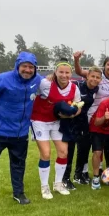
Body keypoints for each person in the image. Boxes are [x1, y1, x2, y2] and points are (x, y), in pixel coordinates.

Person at [0, 52, 41, 211]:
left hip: (20, 134)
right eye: (24, 66)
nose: (27, 70)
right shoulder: (3, 79)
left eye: (31, 67)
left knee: (19, 165)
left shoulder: (38, 80)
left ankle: (18, 193)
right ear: (17, 66)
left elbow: (54, 81)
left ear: (35, 68)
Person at [31, 59, 82, 199]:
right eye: (61, 72)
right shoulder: (45, 83)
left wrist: (71, 114)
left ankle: (58, 184)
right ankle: (44, 187)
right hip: (40, 120)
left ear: (71, 74)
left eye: (67, 72)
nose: (64, 75)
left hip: (58, 122)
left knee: (63, 152)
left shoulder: (74, 88)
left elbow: (78, 106)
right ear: (55, 72)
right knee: (46, 154)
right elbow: (30, 91)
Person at [74, 51, 109, 176]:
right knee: (86, 145)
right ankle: (82, 171)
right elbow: (79, 72)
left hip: (104, 115)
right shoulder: (97, 75)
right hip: (91, 114)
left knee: (98, 145)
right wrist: (76, 60)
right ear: (104, 66)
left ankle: (96, 169)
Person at [62, 66, 101, 189]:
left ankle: (79, 175)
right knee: (70, 151)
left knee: (83, 149)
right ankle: (65, 178)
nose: (94, 79)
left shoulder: (96, 89)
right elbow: (62, 84)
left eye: (97, 77)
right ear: (87, 76)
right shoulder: (77, 84)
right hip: (71, 121)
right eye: (93, 76)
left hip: (83, 122)